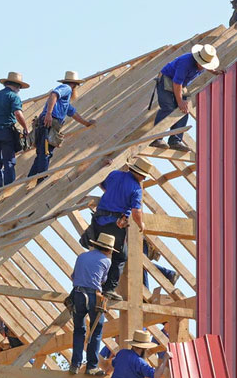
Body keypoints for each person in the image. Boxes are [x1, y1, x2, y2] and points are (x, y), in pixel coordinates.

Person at [83, 159, 175, 301]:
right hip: (115, 225)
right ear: (139, 174)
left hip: (98, 220)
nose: (144, 178)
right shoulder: (136, 188)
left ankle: (96, 284)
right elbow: (136, 211)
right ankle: (109, 289)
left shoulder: (114, 174)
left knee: (101, 251)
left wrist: (113, 194)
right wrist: (141, 225)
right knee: (121, 256)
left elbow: (102, 183)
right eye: (143, 176)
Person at [149, 44, 222, 152]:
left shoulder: (203, 62)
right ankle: (155, 139)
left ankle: (175, 141)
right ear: (197, 59)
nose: (203, 67)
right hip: (167, 81)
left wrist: (214, 71)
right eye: (203, 65)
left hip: (180, 85)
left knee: (184, 111)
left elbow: (180, 84)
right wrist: (180, 102)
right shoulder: (185, 62)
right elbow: (176, 83)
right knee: (168, 108)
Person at [28, 71, 95, 180]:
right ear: (75, 85)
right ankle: (41, 179)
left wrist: (87, 123)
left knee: (42, 153)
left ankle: (31, 178)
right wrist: (49, 113)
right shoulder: (66, 88)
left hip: (47, 124)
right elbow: (54, 94)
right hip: (49, 123)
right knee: (45, 152)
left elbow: (73, 114)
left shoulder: (64, 101)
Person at [69, 233, 115, 375]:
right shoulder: (106, 261)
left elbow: (73, 276)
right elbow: (102, 280)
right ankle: (91, 366)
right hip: (94, 296)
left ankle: (75, 365)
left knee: (79, 330)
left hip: (77, 294)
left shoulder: (82, 256)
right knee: (96, 331)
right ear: (108, 249)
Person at [0, 72, 30, 188]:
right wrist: (26, 128)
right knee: (9, 161)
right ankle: (8, 188)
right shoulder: (13, 96)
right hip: (5, 131)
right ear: (17, 86)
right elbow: (17, 113)